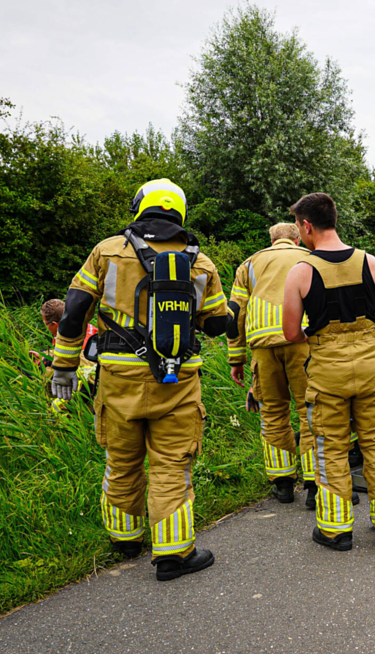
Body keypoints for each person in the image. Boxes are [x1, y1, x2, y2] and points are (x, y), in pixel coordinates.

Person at [50, 179, 229, 580]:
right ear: (179, 211)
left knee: (121, 458)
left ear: (139, 206)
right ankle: (173, 554)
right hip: (178, 379)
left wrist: (63, 366)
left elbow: (75, 310)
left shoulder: (108, 251)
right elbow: (216, 324)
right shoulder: (200, 261)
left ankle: (124, 538)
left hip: (117, 377)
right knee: (172, 463)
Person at [281, 192, 375, 551]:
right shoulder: (371, 262)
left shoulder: (301, 271)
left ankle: (335, 530)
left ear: (306, 226)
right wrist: (366, 329)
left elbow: (291, 333)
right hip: (371, 367)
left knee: (331, 447)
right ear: (333, 218)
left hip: (327, 374)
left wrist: (322, 336)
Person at [227, 223, 318, 507]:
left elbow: (234, 313)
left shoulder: (249, 264)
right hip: (303, 340)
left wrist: (236, 358)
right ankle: (316, 485)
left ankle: (283, 484)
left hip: (263, 346)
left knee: (273, 411)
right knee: (310, 410)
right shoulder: (310, 258)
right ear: (295, 238)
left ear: (271, 240)